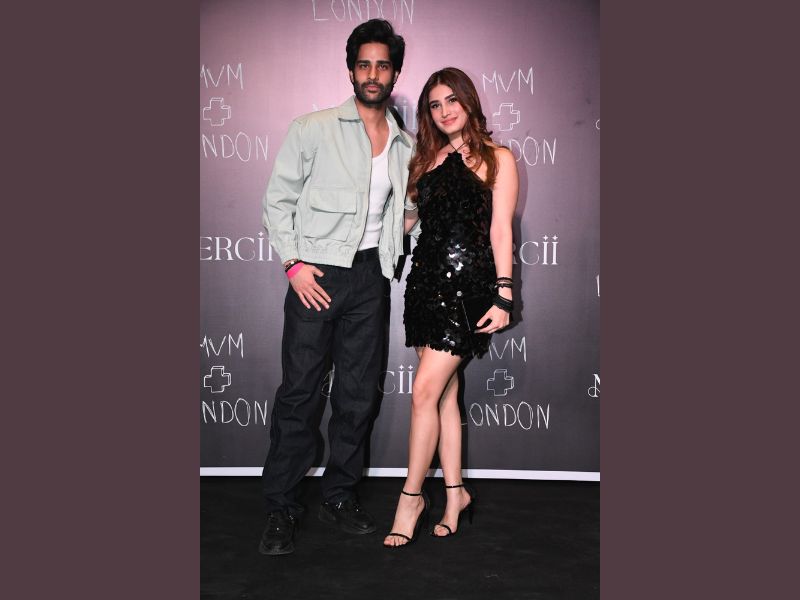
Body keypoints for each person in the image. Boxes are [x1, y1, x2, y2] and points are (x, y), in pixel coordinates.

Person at [259, 19, 413, 556]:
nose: (373, 74)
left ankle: (339, 495)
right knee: (300, 393)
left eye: (382, 65)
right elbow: (277, 201)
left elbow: (402, 213)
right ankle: (281, 505)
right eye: (364, 64)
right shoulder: (313, 128)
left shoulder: (405, 144)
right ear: (351, 71)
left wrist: (412, 218)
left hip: (370, 278)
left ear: (394, 74)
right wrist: (293, 266)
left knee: (356, 395)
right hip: (316, 274)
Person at [383, 67, 519, 547]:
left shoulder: (497, 158)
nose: (444, 111)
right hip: (424, 286)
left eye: (451, 100)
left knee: (423, 391)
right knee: (443, 395)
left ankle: (411, 498)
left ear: (468, 101)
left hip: (467, 290)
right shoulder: (427, 158)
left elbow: (500, 230)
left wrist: (504, 294)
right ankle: (456, 493)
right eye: (435, 105)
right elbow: (412, 222)